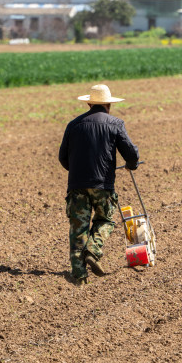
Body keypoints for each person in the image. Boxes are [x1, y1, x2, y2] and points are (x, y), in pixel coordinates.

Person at [58, 84, 139, 285]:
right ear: (109, 104)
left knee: (78, 228)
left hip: (76, 185)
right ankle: (93, 250)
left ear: (89, 102)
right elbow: (131, 153)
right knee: (105, 220)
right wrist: (131, 165)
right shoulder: (115, 124)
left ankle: (79, 275)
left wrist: (77, 173)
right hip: (103, 185)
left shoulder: (73, 125)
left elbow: (62, 157)